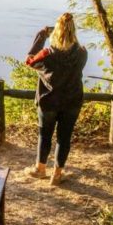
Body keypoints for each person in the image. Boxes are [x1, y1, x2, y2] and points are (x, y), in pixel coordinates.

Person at [24, 13, 88, 186]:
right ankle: (57, 174)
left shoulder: (47, 54)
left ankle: (40, 169)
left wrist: (41, 36)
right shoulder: (82, 53)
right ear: (74, 31)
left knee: (45, 135)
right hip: (72, 101)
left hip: (49, 101)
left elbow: (29, 61)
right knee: (64, 137)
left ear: (55, 31)